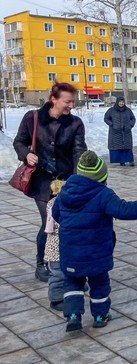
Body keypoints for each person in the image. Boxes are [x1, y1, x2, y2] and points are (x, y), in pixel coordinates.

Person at [52, 150, 137, 332]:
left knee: (72, 282)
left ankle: (73, 316)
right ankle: (99, 315)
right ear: (101, 177)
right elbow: (124, 210)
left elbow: (55, 215)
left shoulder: (64, 193)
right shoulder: (103, 194)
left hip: (70, 252)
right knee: (99, 283)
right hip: (96, 253)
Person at [13, 82, 87, 282]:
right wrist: (26, 154)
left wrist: (78, 178)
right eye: (68, 101)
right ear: (53, 99)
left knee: (69, 222)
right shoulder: (33, 118)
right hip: (42, 182)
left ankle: (68, 263)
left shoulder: (75, 123)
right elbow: (19, 142)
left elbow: (79, 151)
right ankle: (41, 263)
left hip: (67, 180)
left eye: (73, 101)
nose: (71, 105)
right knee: (50, 222)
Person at [44, 179, 66, 311]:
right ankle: (56, 299)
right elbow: (54, 225)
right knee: (57, 274)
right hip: (55, 248)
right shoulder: (54, 205)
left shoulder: (54, 202)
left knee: (63, 272)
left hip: (60, 246)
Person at [104, 95, 136, 167]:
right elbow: (106, 118)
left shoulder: (128, 110)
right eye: (120, 102)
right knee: (119, 148)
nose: (121, 103)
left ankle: (131, 161)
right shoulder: (111, 110)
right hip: (115, 133)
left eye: (123, 102)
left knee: (127, 147)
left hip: (126, 132)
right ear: (117, 102)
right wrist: (112, 125)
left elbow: (133, 118)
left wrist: (130, 125)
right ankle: (122, 161)